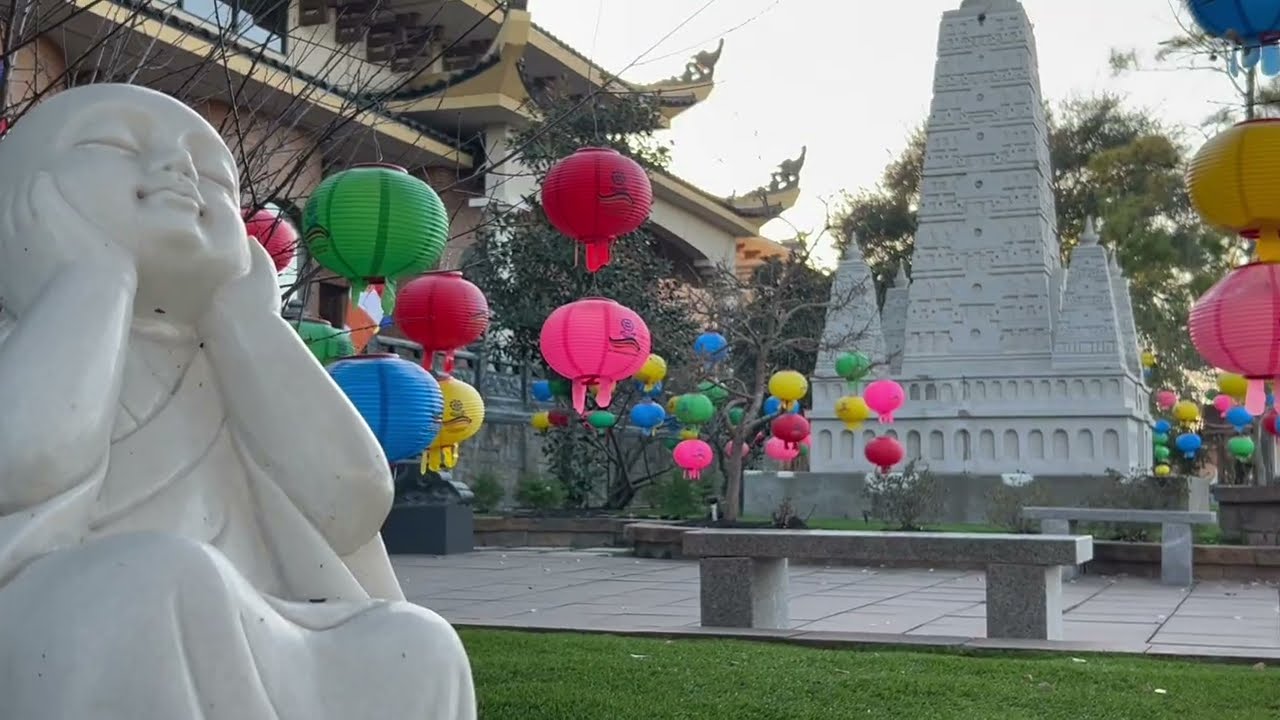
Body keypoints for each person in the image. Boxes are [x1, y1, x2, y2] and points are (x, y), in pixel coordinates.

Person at [0, 84, 476, 720]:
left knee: (414, 643)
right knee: (154, 581)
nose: (178, 170)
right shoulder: (27, 341)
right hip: (62, 609)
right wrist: (94, 279)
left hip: (253, 611)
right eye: (115, 143)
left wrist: (249, 322)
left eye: (213, 175)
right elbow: (24, 463)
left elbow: (352, 503)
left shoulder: (237, 353)